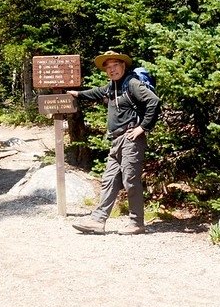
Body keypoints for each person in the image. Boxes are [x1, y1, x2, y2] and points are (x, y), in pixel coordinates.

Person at [67, 51, 161, 235]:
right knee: (109, 180)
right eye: (108, 67)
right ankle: (97, 221)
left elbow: (153, 101)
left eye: (115, 65)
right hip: (116, 140)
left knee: (130, 180)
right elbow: (95, 92)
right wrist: (77, 93)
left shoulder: (131, 84)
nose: (112, 70)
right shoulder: (112, 86)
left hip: (131, 139)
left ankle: (137, 223)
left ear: (123, 66)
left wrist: (142, 128)